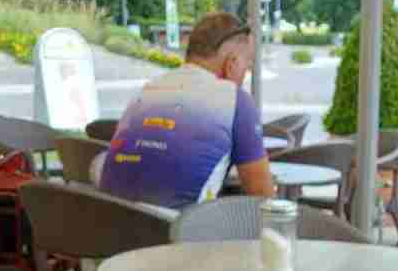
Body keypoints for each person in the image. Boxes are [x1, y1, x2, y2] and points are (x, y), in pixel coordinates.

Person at [99, 12, 276, 209]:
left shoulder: (146, 91)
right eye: (247, 65)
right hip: (175, 227)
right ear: (231, 63)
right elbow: (264, 199)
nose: (245, 74)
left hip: (107, 221)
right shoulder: (235, 100)